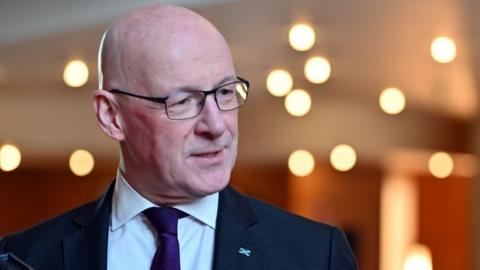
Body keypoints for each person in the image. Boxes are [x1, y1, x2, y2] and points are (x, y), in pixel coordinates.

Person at [0, 4, 358, 270]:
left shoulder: (315, 255)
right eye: (183, 101)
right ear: (112, 116)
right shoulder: (23, 258)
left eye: (225, 92)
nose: (217, 126)